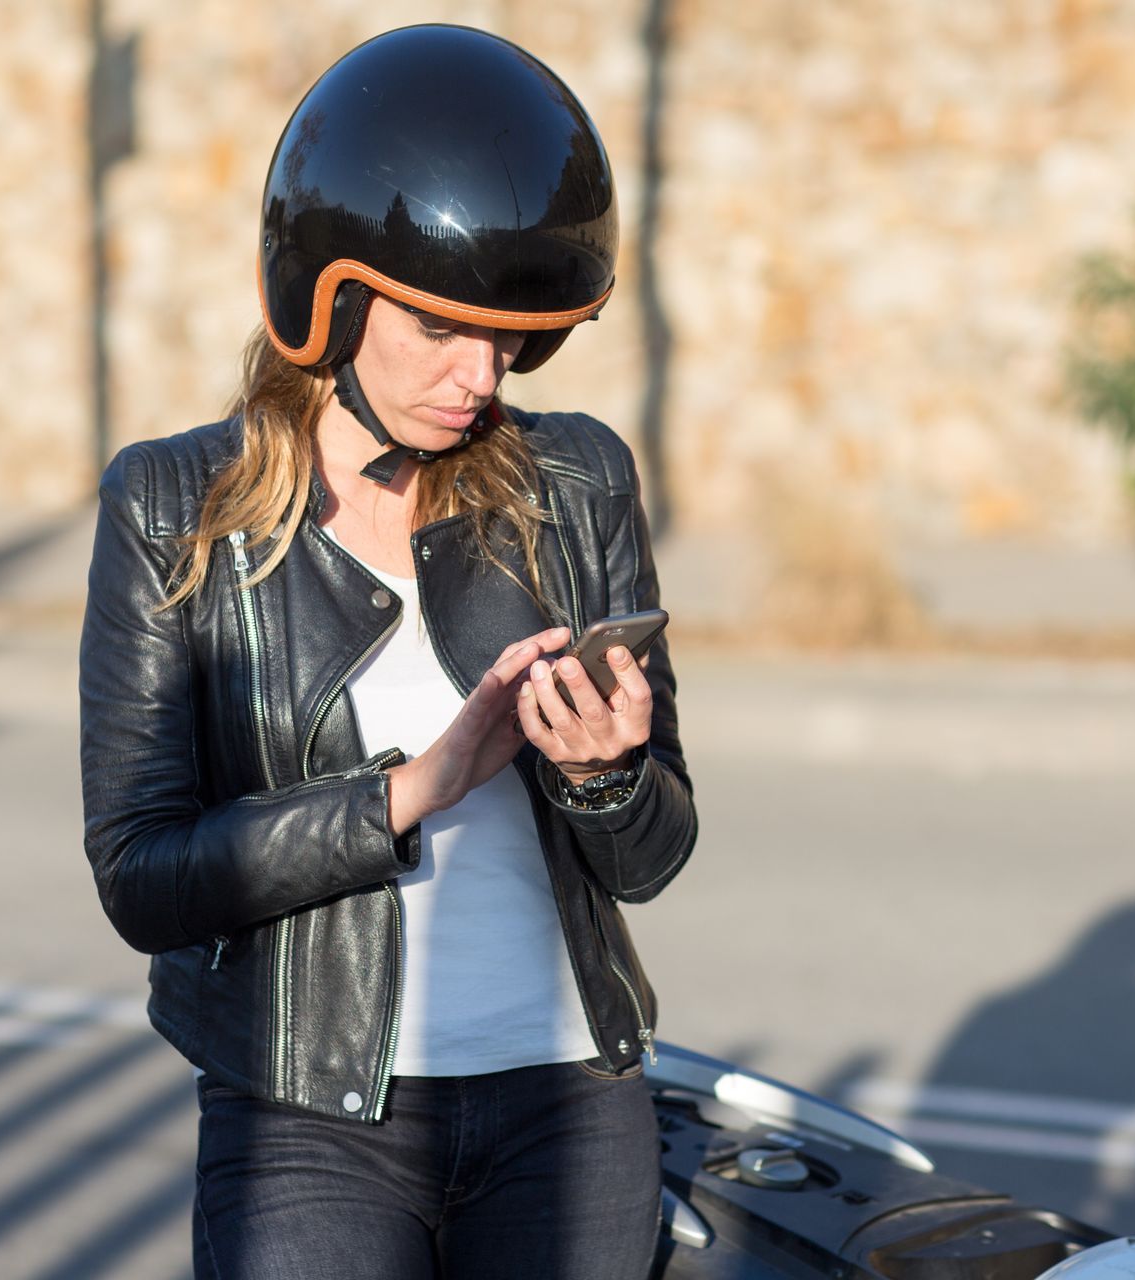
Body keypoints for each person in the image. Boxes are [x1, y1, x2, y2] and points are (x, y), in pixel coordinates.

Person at [77, 25, 697, 1278]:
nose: (483, 377)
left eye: (512, 338)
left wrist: (603, 774)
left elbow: (656, 856)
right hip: (310, 1117)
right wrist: (414, 788)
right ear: (333, 293)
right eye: (442, 332)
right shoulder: (172, 509)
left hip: (569, 1102)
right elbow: (142, 873)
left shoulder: (577, 483)